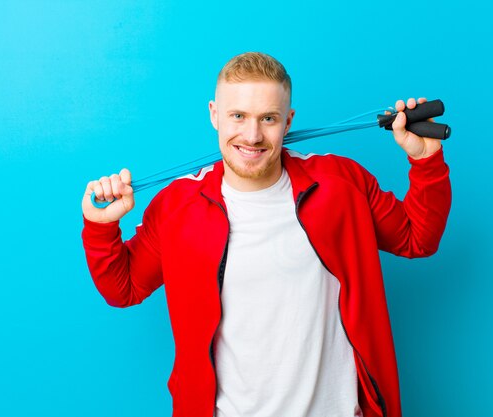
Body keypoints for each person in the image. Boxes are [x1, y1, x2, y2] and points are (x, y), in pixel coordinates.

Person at [81, 52, 452, 417]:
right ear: (214, 114)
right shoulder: (177, 206)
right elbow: (123, 287)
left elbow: (417, 238)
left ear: (288, 121)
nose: (252, 135)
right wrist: (101, 227)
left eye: (268, 118)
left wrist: (425, 160)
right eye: (238, 116)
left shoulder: (341, 185)